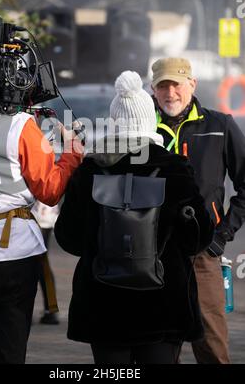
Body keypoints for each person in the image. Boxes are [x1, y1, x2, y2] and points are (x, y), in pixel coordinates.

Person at [55, 70, 213, 365]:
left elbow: (69, 238)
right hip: (163, 305)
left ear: (114, 121)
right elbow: (198, 238)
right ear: (149, 120)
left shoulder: (89, 170)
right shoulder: (174, 168)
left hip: (103, 307)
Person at [0, 41, 84, 364]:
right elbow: (49, 190)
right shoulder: (19, 126)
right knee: (8, 353)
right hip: (13, 257)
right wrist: (72, 155)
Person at [151, 57, 245, 364]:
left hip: (202, 253)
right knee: (159, 346)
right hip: (152, 254)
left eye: (176, 84)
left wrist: (222, 234)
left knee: (211, 345)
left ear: (192, 84)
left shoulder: (220, 125)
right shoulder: (142, 127)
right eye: (162, 86)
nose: (170, 93)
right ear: (153, 89)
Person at [33, 201, 60, 325]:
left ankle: (50, 309)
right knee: (41, 263)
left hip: (38, 214)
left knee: (38, 264)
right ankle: (50, 309)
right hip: (44, 213)